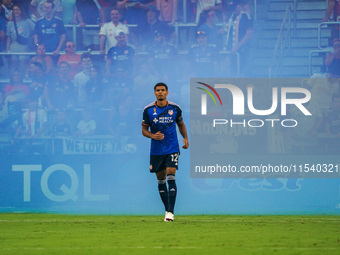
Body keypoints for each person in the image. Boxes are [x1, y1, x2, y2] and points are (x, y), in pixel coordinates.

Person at [142, 82, 189, 222]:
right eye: (158, 90)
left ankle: (170, 212)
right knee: (161, 180)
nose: (160, 92)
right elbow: (144, 130)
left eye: (163, 90)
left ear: (167, 92)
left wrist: (185, 138)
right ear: (154, 93)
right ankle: (167, 209)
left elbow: (181, 124)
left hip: (172, 147)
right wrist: (152, 135)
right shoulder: (148, 110)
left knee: (171, 175)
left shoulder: (175, 108)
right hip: (156, 150)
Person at [222, 0, 253, 76]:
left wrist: (238, 46)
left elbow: (249, 33)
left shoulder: (246, 16)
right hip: (230, 50)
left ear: (240, 5)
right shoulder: (231, 15)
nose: (232, 9)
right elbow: (226, 30)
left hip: (241, 50)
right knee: (231, 71)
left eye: (234, 7)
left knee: (240, 71)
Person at [6, 4, 34, 71]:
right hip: (13, 46)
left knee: (23, 64)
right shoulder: (10, 23)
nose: (16, 11)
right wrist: (8, 50)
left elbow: (36, 30)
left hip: (23, 46)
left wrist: (31, 38)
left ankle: (24, 78)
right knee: (14, 65)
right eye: (14, 10)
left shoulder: (27, 21)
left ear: (21, 11)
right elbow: (8, 37)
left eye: (17, 10)